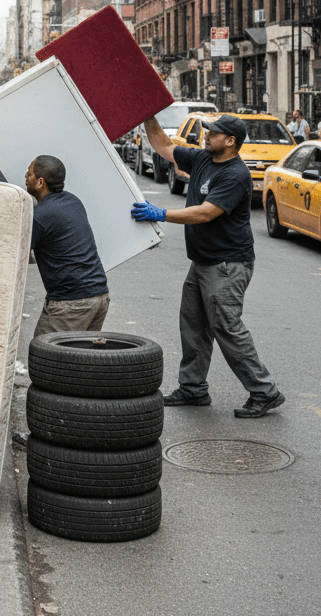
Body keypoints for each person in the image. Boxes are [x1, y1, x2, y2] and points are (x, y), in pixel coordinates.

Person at [131, 113, 284, 419]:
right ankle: (193, 388)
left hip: (227, 265)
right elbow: (162, 145)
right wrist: (147, 115)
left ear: (230, 141)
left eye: (213, 133)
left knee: (227, 328)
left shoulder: (236, 174)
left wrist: (160, 213)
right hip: (203, 262)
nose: (206, 136)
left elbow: (205, 213)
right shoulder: (202, 159)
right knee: (194, 326)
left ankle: (264, 391)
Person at [25, 155, 109, 334]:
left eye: (29, 172)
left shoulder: (40, 216)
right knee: (77, 359)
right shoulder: (73, 201)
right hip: (99, 297)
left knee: (45, 357)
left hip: (71, 304)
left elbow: (16, 253)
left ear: (40, 182)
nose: (25, 176)